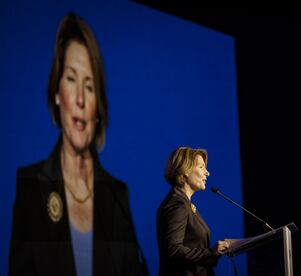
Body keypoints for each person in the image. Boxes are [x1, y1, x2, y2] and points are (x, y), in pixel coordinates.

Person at [9, 12, 148, 276]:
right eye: (71, 79)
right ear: (57, 92)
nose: (81, 99)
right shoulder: (30, 188)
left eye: (90, 86)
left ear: (99, 107)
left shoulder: (118, 196)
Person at [157, 146, 229, 276]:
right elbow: (173, 250)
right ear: (186, 170)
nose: (207, 173)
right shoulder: (177, 204)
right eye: (201, 167)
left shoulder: (185, 203)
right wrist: (210, 252)